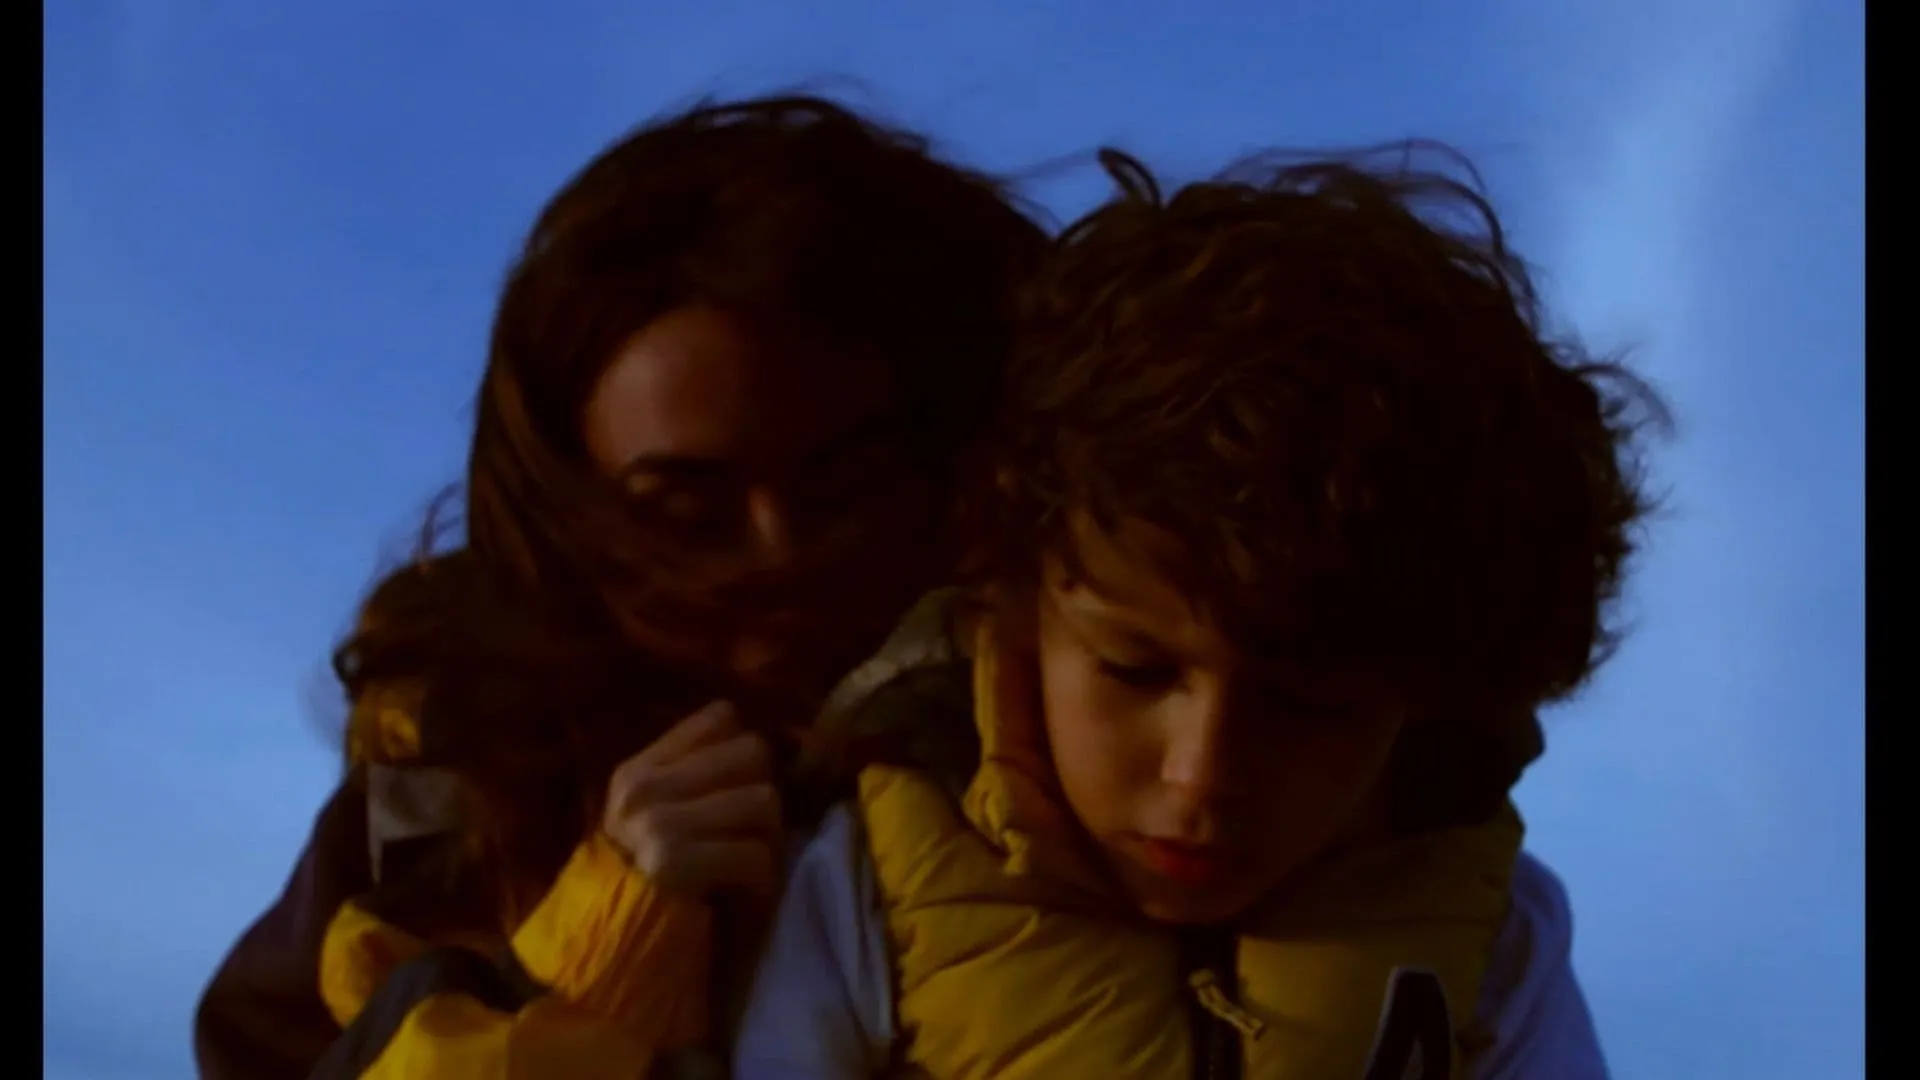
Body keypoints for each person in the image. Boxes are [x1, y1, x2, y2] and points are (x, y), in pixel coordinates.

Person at [731, 144, 1666, 1079]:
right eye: (1135, 670)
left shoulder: (1499, 945)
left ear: (1429, 696)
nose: (1201, 778)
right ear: (1015, 605)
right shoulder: (865, 890)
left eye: (1308, 707)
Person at [191, 93, 1048, 1080]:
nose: (775, 551)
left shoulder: (1106, 700)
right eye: (686, 512)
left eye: (839, 485)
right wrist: (599, 959)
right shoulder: (450, 772)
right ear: (567, 507)